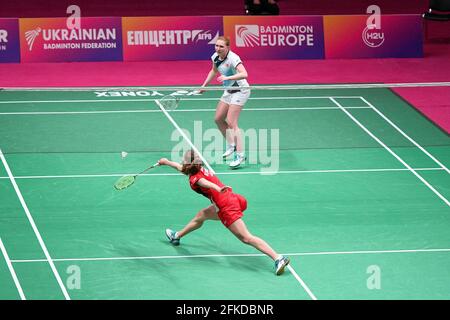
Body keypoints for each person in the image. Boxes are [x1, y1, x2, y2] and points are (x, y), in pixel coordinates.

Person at [158, 150, 290, 276]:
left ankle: (278, 258)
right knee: (202, 215)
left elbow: (205, 183)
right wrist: (166, 162)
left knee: (246, 238)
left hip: (226, 207)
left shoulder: (195, 178)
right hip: (233, 198)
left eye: (184, 158)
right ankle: (177, 236)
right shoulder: (195, 169)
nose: (182, 160)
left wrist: (217, 188)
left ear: (188, 163)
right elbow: (180, 168)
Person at [199, 36, 250, 169]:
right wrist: (204, 85)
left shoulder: (233, 58)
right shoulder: (215, 56)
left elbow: (245, 74)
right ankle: (231, 145)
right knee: (218, 119)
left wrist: (227, 77)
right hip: (228, 90)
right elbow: (214, 71)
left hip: (240, 90)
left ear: (228, 47)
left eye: (221, 46)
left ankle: (240, 155)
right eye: (216, 45)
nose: (218, 48)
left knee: (232, 122)